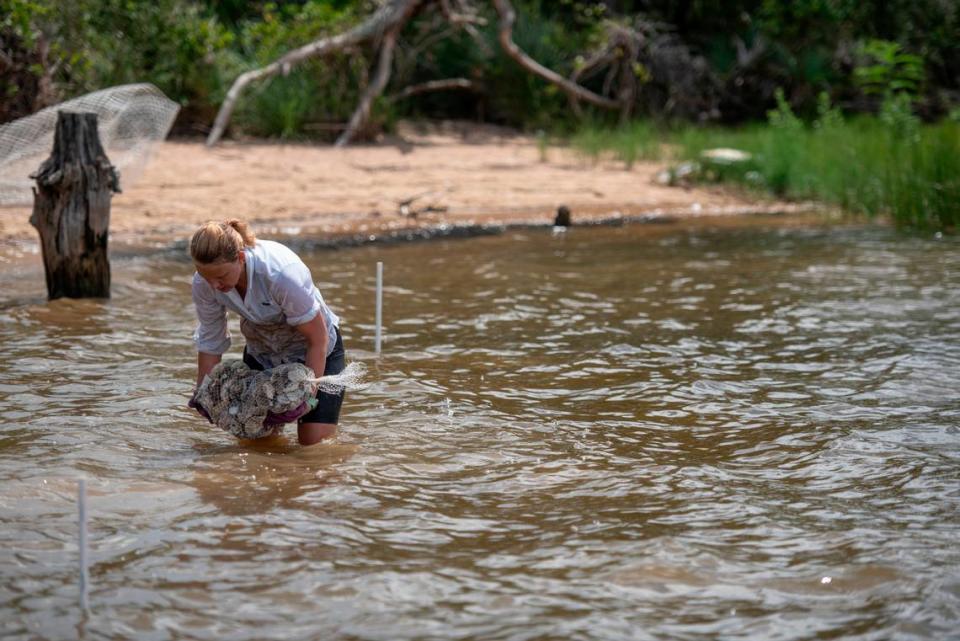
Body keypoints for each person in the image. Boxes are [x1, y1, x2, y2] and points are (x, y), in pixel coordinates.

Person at [187, 219, 346, 446]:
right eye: (205, 276)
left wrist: (308, 396)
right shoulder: (204, 283)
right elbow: (211, 338)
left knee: (313, 446)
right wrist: (204, 391)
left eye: (221, 277)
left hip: (317, 350)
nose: (213, 285)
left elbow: (317, 338)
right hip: (263, 349)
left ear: (240, 258)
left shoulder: (282, 275)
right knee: (257, 444)